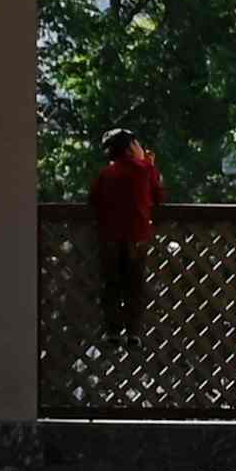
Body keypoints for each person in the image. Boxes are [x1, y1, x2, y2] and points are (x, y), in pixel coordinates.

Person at [87, 128, 168, 342]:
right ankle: (133, 332)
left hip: (109, 238)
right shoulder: (143, 169)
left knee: (111, 284)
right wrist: (151, 166)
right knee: (135, 285)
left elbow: (93, 198)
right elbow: (159, 196)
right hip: (136, 237)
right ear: (132, 148)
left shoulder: (106, 173)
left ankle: (112, 331)